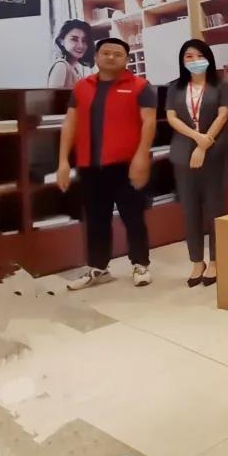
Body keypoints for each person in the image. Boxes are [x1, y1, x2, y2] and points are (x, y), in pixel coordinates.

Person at [57, 37, 156, 289]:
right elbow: (70, 123)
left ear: (127, 59)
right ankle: (98, 268)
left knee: (133, 217)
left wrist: (142, 156)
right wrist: (63, 162)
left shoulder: (140, 86)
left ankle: (140, 264)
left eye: (118, 54)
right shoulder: (82, 87)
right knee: (95, 219)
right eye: (106, 53)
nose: (111, 57)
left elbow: (149, 122)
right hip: (90, 166)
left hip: (126, 166)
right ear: (96, 56)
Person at [165, 40, 228, 287]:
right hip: (183, 153)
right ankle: (196, 261)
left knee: (215, 208)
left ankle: (215, 260)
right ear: (183, 61)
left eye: (199, 56)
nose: (195, 61)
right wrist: (196, 138)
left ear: (208, 58)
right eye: (189, 57)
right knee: (190, 209)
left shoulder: (221, 85)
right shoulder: (175, 87)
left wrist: (205, 144)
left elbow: (223, 115)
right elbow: (171, 117)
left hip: (213, 153)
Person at [48, 19, 93, 88]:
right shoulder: (61, 66)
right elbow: (54, 95)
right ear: (61, 41)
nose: (80, 45)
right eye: (74, 39)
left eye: (84, 40)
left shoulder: (76, 70)